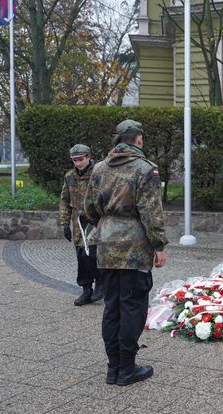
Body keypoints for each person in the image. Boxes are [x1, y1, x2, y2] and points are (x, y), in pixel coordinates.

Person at [84, 119, 168, 386]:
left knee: (112, 306)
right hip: (135, 247)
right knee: (132, 306)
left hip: (106, 246)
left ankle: (114, 368)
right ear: (139, 140)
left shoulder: (98, 169)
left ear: (117, 139)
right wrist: (159, 245)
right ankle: (127, 369)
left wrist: (107, 224)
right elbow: (151, 213)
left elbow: (89, 208)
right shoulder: (146, 170)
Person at [59, 144, 102, 306]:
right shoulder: (70, 176)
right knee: (81, 257)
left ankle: (100, 283)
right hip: (78, 224)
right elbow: (65, 200)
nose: (78, 163)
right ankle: (86, 290)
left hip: (96, 222)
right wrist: (64, 224)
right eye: (75, 160)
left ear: (89, 157)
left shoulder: (98, 174)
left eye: (81, 159)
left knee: (93, 254)